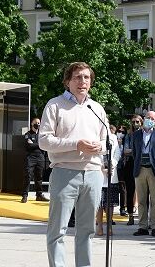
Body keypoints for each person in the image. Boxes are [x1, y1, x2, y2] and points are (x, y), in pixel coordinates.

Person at [40, 62, 108, 267]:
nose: (83, 81)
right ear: (67, 81)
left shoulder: (96, 108)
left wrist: (101, 147)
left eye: (86, 77)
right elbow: (43, 141)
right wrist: (76, 144)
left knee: (87, 230)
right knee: (58, 230)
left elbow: (110, 141)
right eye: (78, 77)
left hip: (93, 174)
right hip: (64, 172)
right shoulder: (55, 105)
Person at [131, 111, 155, 237]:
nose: (150, 120)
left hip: (154, 169)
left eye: (152, 118)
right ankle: (142, 226)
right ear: (144, 118)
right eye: (148, 117)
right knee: (141, 200)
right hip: (140, 169)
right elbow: (134, 153)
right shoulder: (136, 135)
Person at [96, 125, 121, 236]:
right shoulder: (95, 136)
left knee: (109, 204)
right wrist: (102, 167)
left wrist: (112, 164)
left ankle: (109, 227)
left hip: (111, 173)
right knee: (99, 204)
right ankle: (100, 227)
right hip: (99, 173)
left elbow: (117, 153)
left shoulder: (113, 137)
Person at [22, 117, 49, 203]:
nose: (37, 125)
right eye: (36, 123)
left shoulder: (41, 135)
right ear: (31, 124)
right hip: (31, 158)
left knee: (39, 177)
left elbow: (45, 145)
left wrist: (35, 144)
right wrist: (39, 144)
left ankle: (39, 195)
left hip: (40, 158)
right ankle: (25, 195)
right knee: (28, 176)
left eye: (39, 123)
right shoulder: (28, 134)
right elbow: (29, 146)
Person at [124, 115, 143, 225]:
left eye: (137, 121)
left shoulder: (144, 135)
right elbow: (126, 150)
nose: (135, 123)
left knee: (144, 192)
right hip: (131, 163)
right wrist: (136, 151)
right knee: (130, 191)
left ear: (141, 122)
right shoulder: (129, 135)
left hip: (142, 163)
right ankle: (130, 215)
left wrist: (134, 151)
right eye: (133, 122)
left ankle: (143, 217)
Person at [116, 125, 129, 217]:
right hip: (113, 167)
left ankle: (123, 208)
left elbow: (123, 154)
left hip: (123, 167)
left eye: (123, 132)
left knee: (123, 188)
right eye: (119, 131)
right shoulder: (112, 140)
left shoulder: (126, 142)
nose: (121, 133)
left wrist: (120, 145)